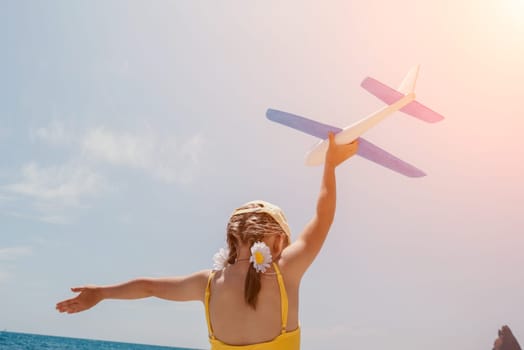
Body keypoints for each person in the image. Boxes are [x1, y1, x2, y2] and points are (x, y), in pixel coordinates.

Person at [56, 133, 359, 349]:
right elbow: (323, 217)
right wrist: (330, 166)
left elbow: (148, 287)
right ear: (279, 240)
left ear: (231, 237)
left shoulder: (208, 284)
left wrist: (101, 293)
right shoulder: (285, 272)